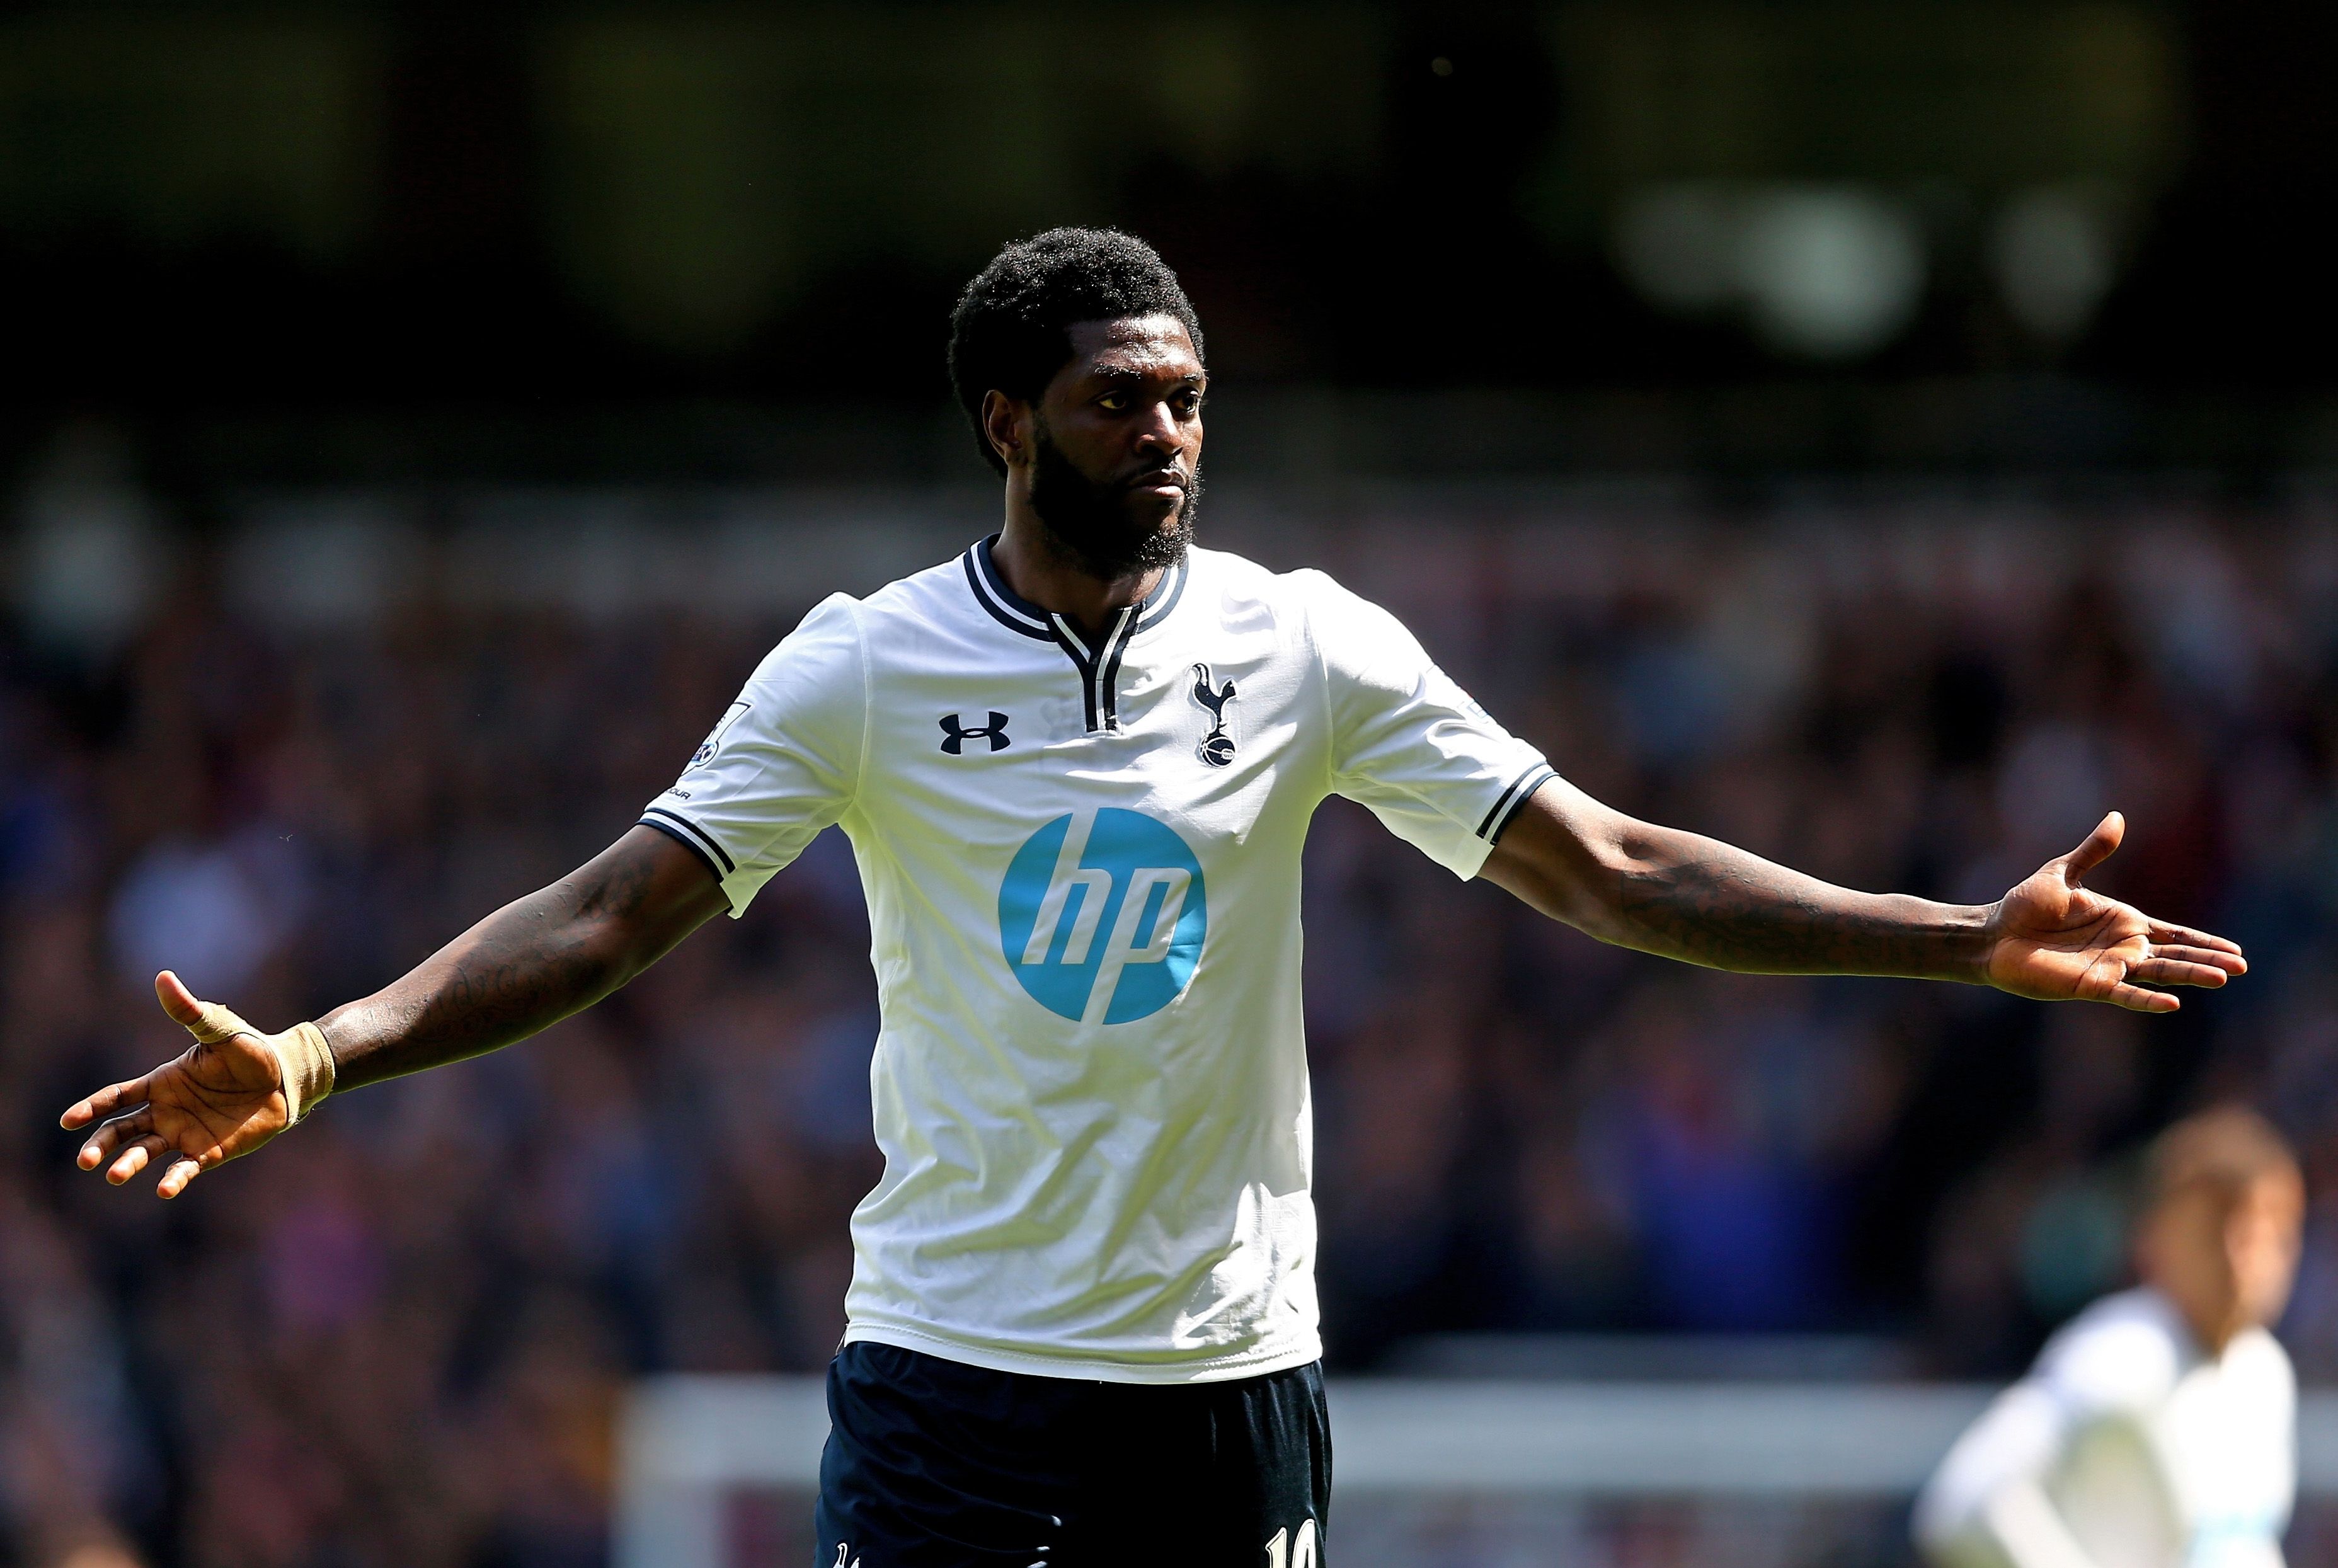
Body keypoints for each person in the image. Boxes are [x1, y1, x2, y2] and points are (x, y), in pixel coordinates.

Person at [62, 229, 2250, 1566]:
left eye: (1192, 399)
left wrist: (1955, 934)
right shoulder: (865, 666)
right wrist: (327, 1048)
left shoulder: (1304, 643)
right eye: (1123, 403)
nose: (1172, 436)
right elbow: (609, 913)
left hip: (1226, 1386)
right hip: (952, 1371)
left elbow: (1609, 863)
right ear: (1006, 419)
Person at [1915, 1108, 2305, 1568]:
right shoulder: (2123, 1354)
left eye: (2268, 1236)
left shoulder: (2262, 1370)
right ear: (2157, 1238)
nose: (2244, 1262)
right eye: (2216, 1234)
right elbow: (1962, 1503)